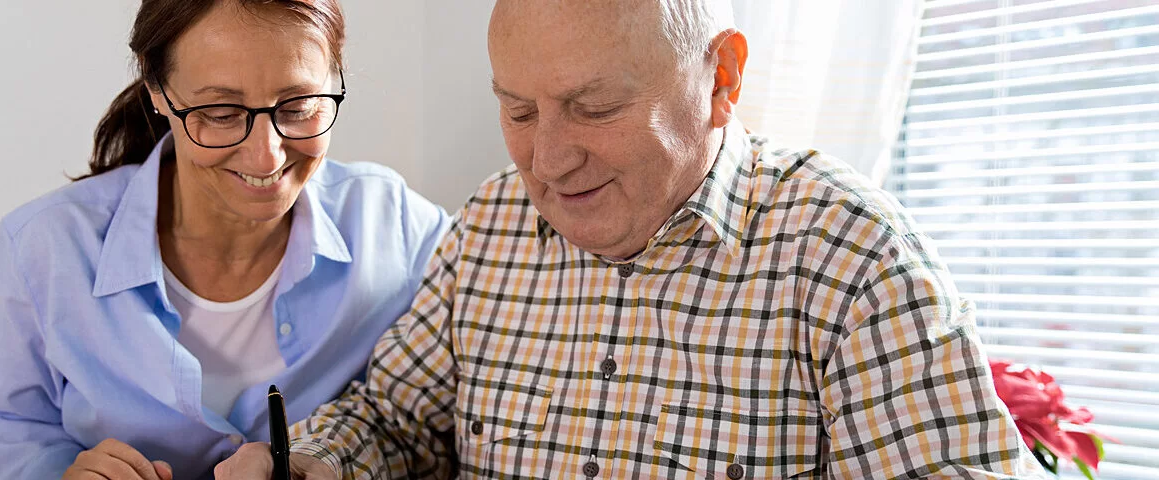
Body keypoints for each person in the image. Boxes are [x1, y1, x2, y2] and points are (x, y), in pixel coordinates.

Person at [215, 0, 1048, 478]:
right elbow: (395, 420)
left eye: (594, 107)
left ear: (721, 79)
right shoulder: (494, 225)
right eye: (518, 110)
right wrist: (310, 465)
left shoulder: (851, 257)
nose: (547, 159)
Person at [0, 0, 449, 478]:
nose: (266, 157)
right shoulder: (45, 245)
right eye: (220, 112)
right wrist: (60, 472)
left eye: (298, 105)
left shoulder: (400, 228)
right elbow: (3, 420)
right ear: (156, 89)